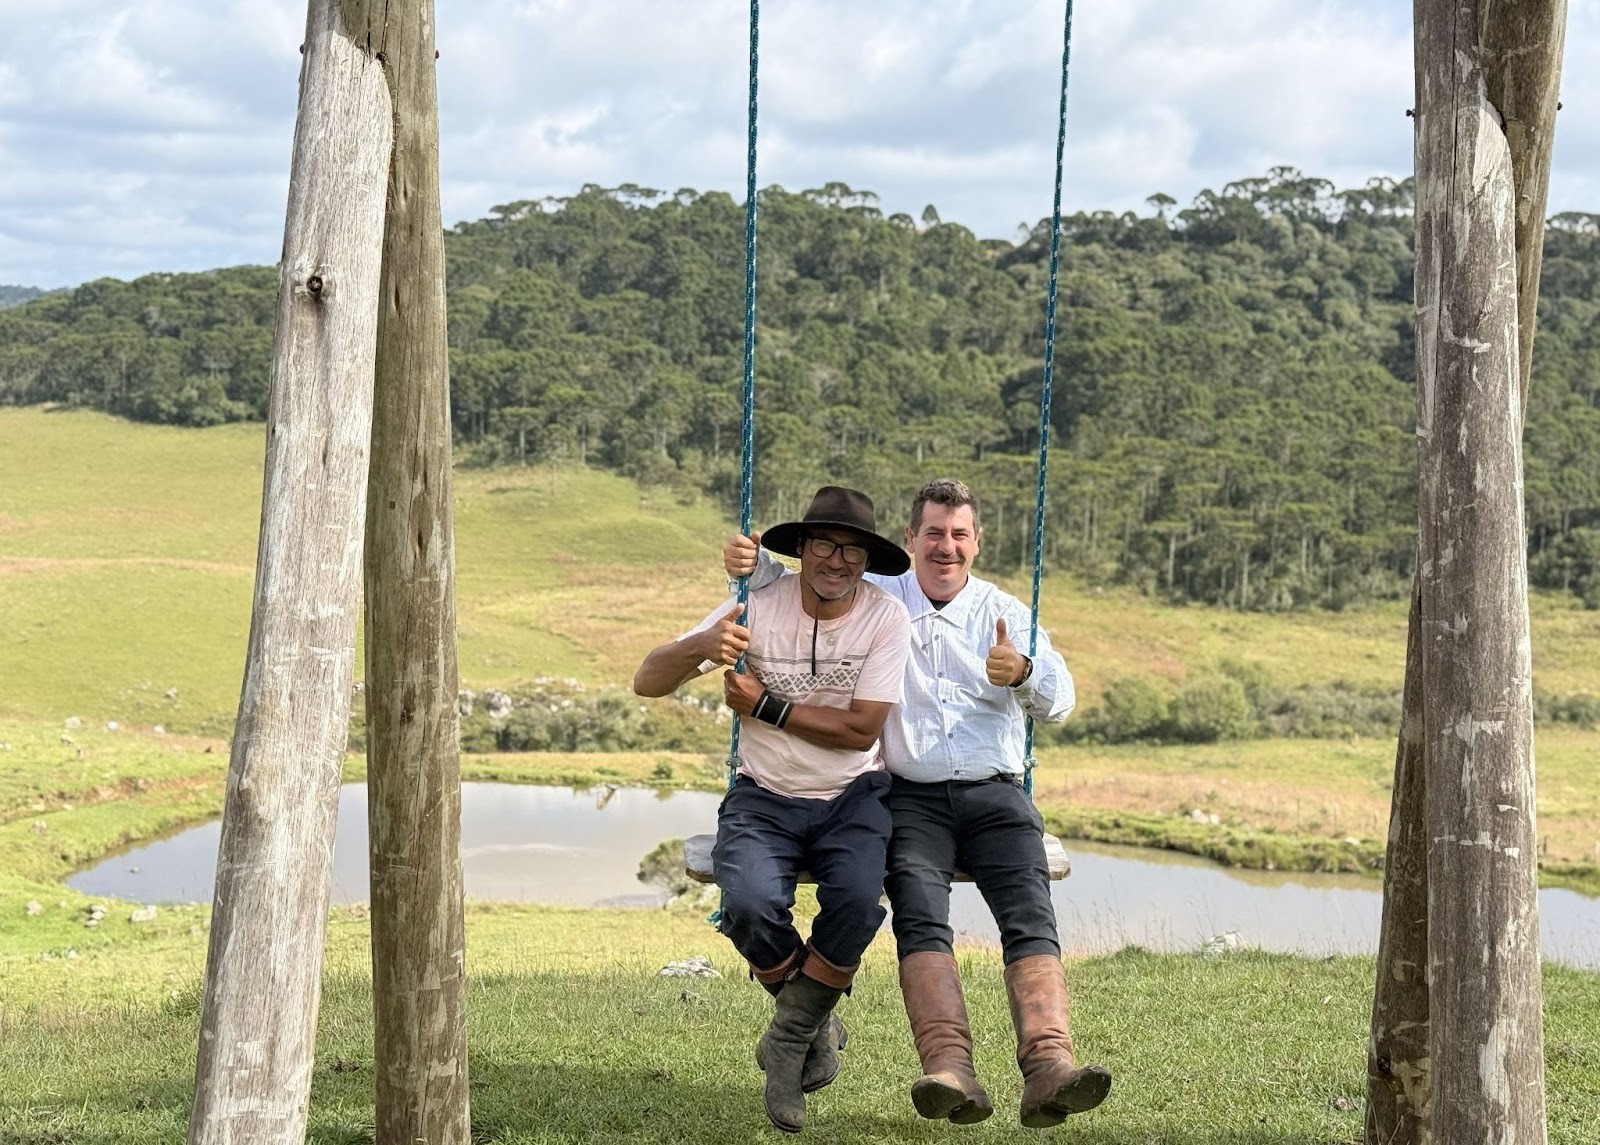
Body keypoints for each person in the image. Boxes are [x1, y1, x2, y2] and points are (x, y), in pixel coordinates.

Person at [725, 477, 1111, 1129]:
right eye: (933, 532)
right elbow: (806, 576)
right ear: (909, 540)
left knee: (1028, 913)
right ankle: (950, 1067)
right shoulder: (882, 599)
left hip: (996, 794)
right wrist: (752, 559)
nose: (946, 546)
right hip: (911, 798)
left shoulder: (1006, 612)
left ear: (977, 544)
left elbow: (1064, 697)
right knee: (921, 915)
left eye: (959, 534)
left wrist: (1023, 673)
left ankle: (1049, 1064)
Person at [634, 485, 912, 1134]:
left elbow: (860, 730)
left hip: (852, 795)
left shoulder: (884, 618)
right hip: (763, 795)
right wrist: (704, 644)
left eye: (852, 550)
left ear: (867, 561)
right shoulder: (754, 604)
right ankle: (809, 1022)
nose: (837, 560)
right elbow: (648, 680)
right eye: (825, 544)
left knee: (855, 897)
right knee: (751, 902)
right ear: (802, 548)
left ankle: (787, 1037)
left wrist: (765, 705)